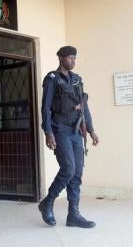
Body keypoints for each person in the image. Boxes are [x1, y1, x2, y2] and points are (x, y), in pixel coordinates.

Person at [38, 46, 99, 228]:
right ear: (61, 58)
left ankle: (73, 215)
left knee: (77, 173)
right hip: (60, 130)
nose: (73, 61)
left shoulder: (77, 80)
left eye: (75, 58)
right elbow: (46, 108)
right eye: (70, 58)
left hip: (76, 131)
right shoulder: (52, 79)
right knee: (68, 169)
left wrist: (91, 130)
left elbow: (84, 106)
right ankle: (48, 202)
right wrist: (48, 132)